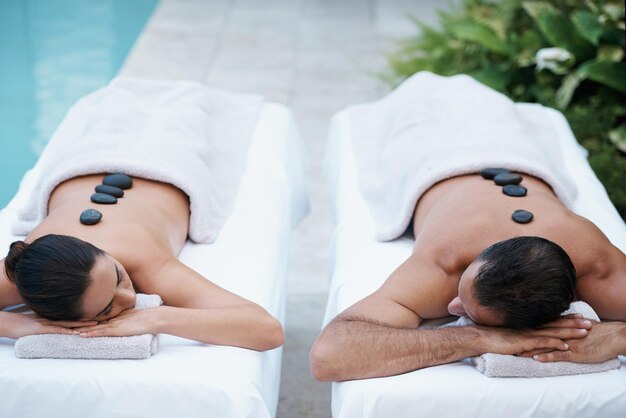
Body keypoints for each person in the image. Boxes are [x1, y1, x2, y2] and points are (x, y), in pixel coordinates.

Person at [310, 171, 626, 381]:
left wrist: (618, 337)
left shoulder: (598, 267)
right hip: (441, 164)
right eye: (463, 292)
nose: (452, 308)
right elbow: (329, 354)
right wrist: (476, 337)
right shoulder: (448, 262)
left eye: (470, 314)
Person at [0, 174, 283, 351]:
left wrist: (157, 317)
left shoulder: (143, 261)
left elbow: (266, 329)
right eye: (108, 307)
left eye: (118, 275)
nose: (130, 297)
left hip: (152, 166)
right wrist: (17, 326)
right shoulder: (24, 271)